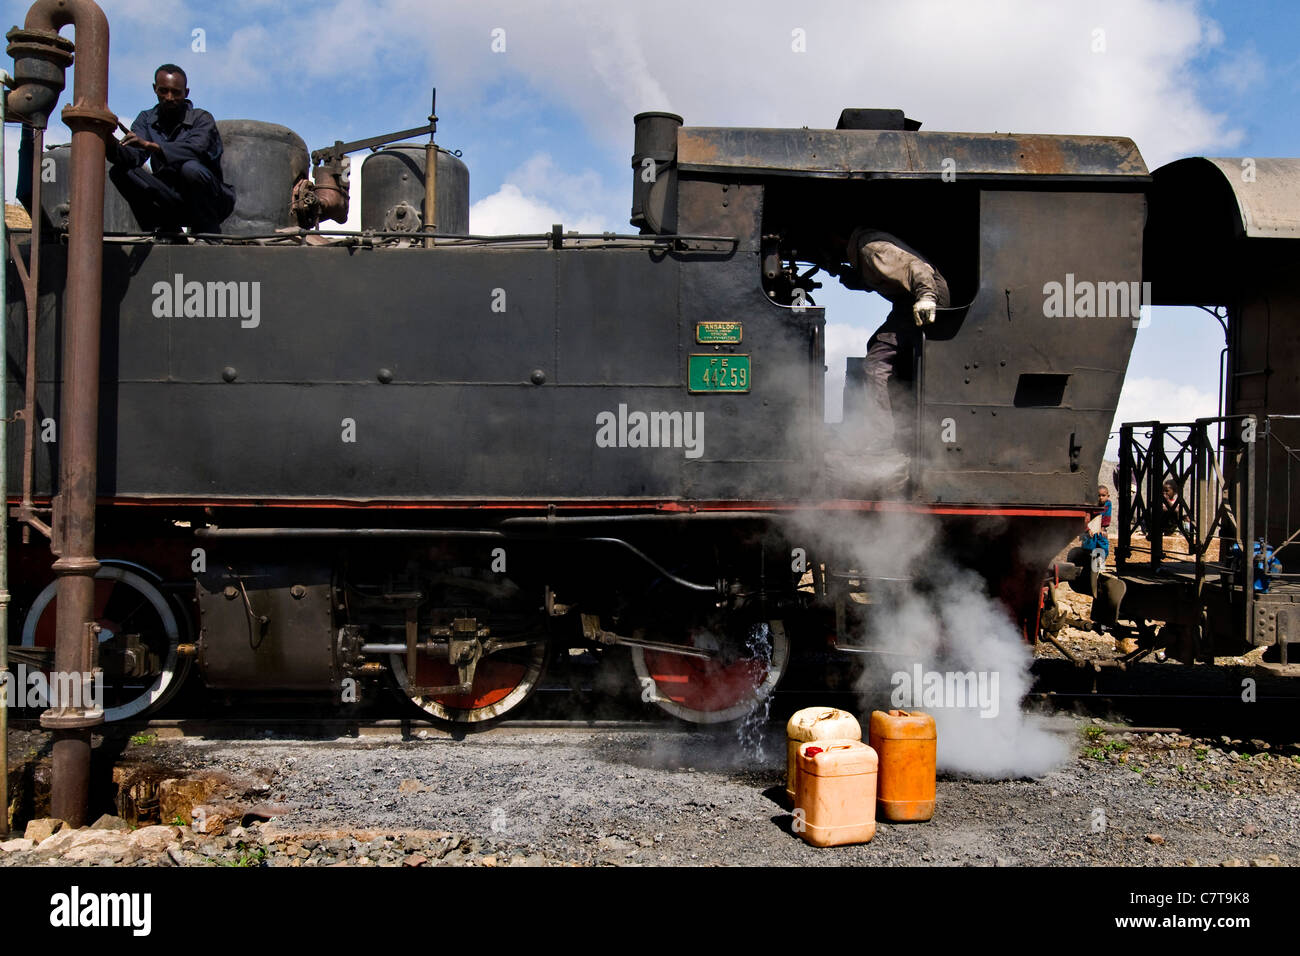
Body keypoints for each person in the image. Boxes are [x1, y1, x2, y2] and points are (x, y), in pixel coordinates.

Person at [843, 228, 950, 452]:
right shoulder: (864, 253)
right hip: (908, 302)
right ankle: (901, 427)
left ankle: (881, 437)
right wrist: (857, 280)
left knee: (875, 363)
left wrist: (927, 297)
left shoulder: (871, 248)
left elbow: (915, 267)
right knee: (880, 347)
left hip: (924, 297)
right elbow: (888, 278)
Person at [107, 64, 235, 235]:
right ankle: (166, 230)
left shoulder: (201, 118)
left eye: (176, 92)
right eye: (163, 91)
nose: (169, 97)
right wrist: (107, 139)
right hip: (170, 198)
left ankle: (207, 232)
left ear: (186, 92)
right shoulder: (146, 119)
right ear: (155, 89)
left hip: (211, 201)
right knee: (120, 172)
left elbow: (195, 149)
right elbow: (132, 157)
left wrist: (151, 146)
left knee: (190, 169)